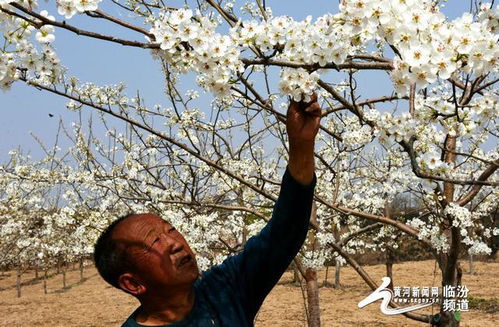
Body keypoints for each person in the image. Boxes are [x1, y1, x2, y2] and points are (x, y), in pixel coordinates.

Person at [93, 95, 322, 326]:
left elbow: (283, 234)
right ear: (133, 284)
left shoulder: (224, 289)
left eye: (171, 229)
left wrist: (301, 145)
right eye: (154, 242)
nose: (175, 243)